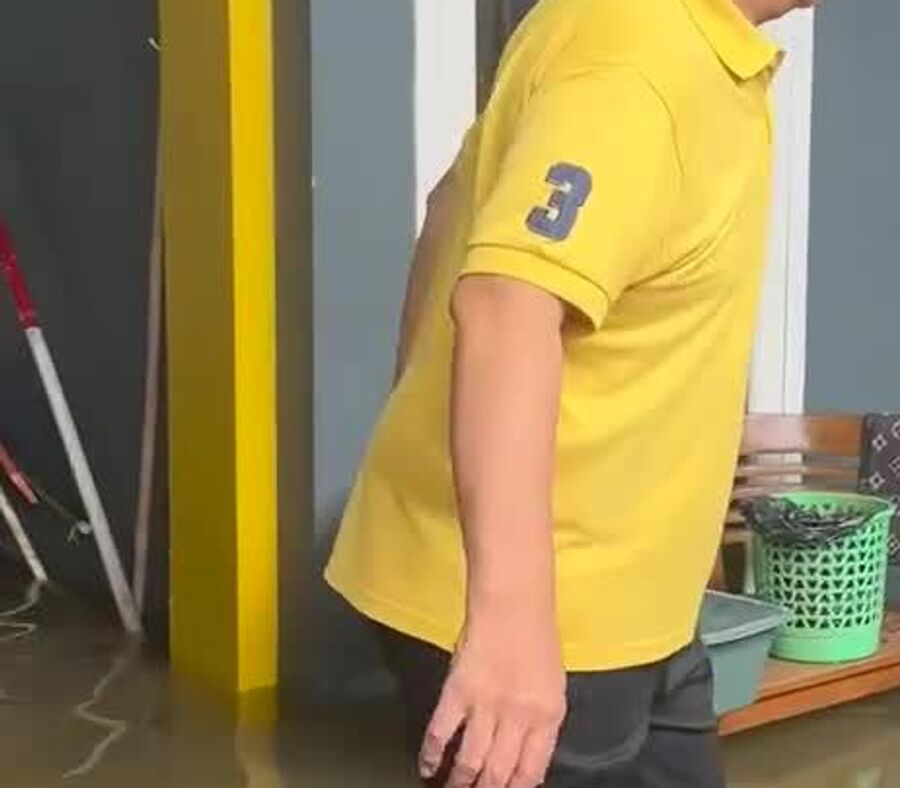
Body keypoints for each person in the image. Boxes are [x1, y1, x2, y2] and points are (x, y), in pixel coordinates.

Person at [324, 0, 817, 785]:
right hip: (546, 623)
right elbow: (507, 302)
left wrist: (423, 410)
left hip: (639, 611)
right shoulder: (636, 58)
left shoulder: (680, 42)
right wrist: (510, 625)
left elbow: (452, 204)